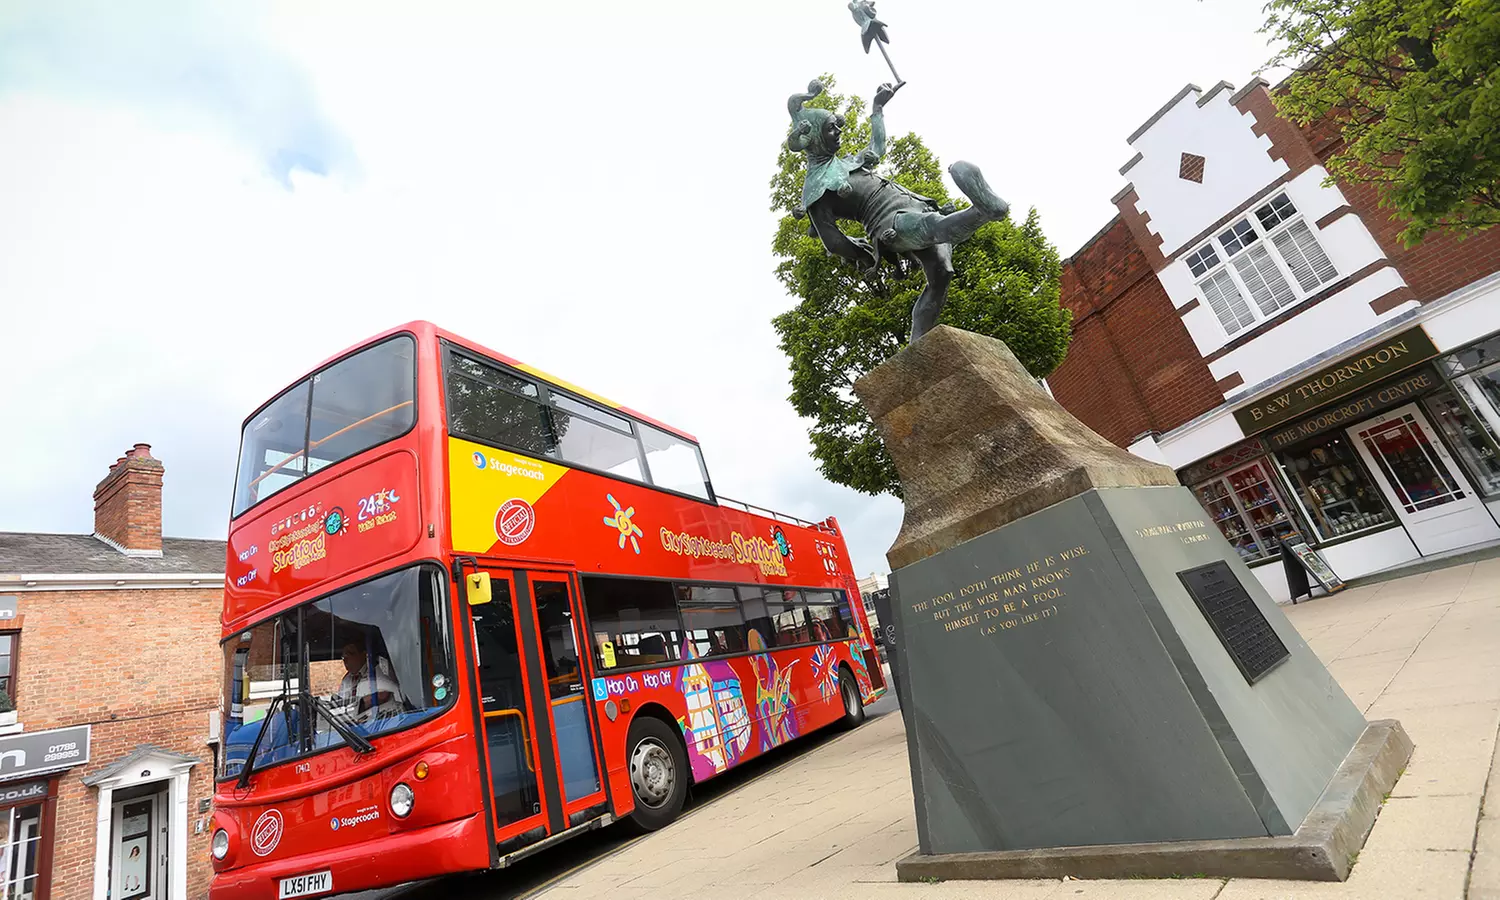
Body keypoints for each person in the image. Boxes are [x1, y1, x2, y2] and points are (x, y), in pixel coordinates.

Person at [332, 638, 404, 723]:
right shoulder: (346, 679)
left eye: (350, 654)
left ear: (364, 654)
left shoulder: (379, 670)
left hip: (386, 722)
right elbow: (342, 702)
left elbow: (383, 695)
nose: (345, 659)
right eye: (343, 657)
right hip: (355, 725)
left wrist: (360, 704)